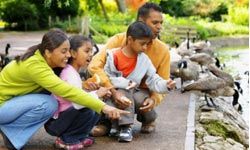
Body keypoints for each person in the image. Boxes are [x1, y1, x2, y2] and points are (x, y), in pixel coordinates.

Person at [0, 29, 128, 150]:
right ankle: (12, 135)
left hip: (11, 104)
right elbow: (67, 91)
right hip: (3, 107)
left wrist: (83, 85)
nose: (68, 55)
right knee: (48, 104)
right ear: (48, 52)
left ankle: (11, 131)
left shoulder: (44, 62)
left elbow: (62, 85)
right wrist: (104, 107)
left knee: (52, 101)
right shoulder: (35, 66)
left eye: (68, 50)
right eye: (63, 51)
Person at [88, 2, 171, 136]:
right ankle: (105, 123)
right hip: (115, 86)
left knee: (140, 100)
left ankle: (149, 119)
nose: (159, 27)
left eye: (161, 23)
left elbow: (163, 80)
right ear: (141, 21)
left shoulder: (162, 50)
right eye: (155, 22)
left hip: (141, 92)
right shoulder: (119, 40)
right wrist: (112, 90)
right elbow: (94, 66)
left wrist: (154, 99)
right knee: (93, 79)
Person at [104, 21, 176, 142]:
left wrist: (166, 85)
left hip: (135, 92)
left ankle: (135, 123)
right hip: (115, 94)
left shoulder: (144, 60)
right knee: (123, 90)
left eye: (147, 44)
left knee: (138, 98)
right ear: (130, 39)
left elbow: (153, 78)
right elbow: (107, 76)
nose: (145, 48)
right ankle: (121, 125)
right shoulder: (113, 56)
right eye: (142, 44)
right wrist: (124, 83)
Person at [44, 35, 112, 149]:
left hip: (65, 118)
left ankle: (80, 136)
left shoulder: (73, 72)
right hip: (56, 123)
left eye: (92, 51)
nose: (90, 54)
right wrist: (97, 94)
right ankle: (67, 139)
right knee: (89, 109)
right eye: (86, 51)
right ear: (73, 54)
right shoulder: (69, 74)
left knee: (95, 107)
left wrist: (96, 93)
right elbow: (77, 103)